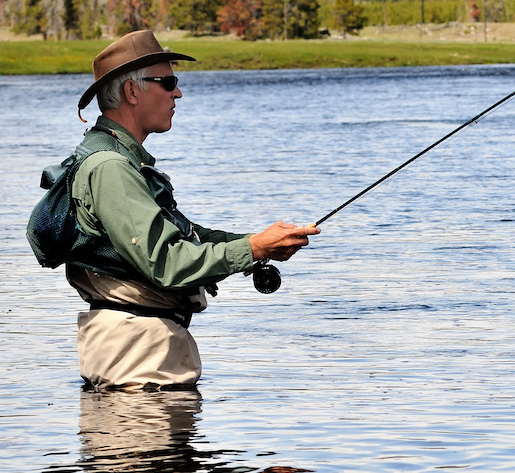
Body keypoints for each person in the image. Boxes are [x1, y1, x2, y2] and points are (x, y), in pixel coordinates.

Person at [43, 30, 318, 391]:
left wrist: (256, 243)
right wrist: (254, 249)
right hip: (139, 360)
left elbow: (183, 237)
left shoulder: (117, 162)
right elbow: (166, 262)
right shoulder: (110, 169)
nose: (178, 93)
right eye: (168, 82)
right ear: (131, 92)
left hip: (141, 353)